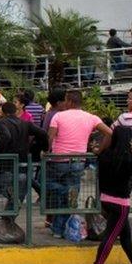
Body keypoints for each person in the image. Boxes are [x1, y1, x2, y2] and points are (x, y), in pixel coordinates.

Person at [46, 89, 112, 237]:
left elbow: (50, 137)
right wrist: (99, 149)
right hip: (78, 161)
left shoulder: (58, 116)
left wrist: (48, 151)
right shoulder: (91, 117)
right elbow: (110, 133)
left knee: (56, 192)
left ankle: (57, 227)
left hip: (58, 160)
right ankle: (61, 227)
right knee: (71, 195)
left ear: (69, 101)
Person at [89, 126, 132, 264]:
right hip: (120, 204)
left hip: (106, 199)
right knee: (111, 236)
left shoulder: (105, 154)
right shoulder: (126, 158)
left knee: (125, 234)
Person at [0, 102, 48, 211]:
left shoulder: (0, 123)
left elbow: (6, 136)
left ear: (2, 112)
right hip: (23, 160)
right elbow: (43, 133)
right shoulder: (26, 123)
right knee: (21, 184)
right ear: (15, 111)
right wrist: (43, 148)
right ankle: (9, 215)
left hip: (6, 161)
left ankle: (11, 201)